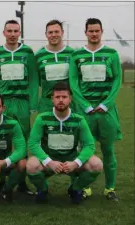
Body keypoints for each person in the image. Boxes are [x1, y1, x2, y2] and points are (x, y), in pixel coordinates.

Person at [69, 18, 122, 202]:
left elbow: (117, 80)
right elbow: (73, 83)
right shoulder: (76, 56)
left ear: (101, 31)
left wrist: (106, 103)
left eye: (96, 31)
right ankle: (85, 188)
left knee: (108, 150)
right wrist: (85, 105)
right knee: (83, 150)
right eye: (90, 31)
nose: (93, 34)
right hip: (86, 111)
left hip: (105, 111)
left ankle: (110, 189)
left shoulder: (112, 54)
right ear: (85, 32)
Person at [26, 82, 103, 204]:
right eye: (57, 97)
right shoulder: (42, 118)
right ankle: (43, 189)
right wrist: (49, 162)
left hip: (71, 160)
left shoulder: (79, 119)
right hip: (50, 160)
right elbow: (33, 143)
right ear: (52, 99)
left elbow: (89, 145)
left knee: (96, 164)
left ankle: (75, 189)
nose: (61, 100)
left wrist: (76, 163)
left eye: (64, 97)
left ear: (70, 99)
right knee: (31, 165)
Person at [0, 19, 37, 195]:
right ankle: (2, 182)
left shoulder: (28, 52)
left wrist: (33, 104)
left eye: (16, 31)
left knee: (22, 141)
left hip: (22, 102)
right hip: (5, 103)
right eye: (10, 31)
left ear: (20, 33)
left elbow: (32, 79)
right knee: (3, 142)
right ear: (4, 33)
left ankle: (21, 182)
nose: (13, 34)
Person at [35, 19, 76, 113]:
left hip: (69, 104)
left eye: (56, 31)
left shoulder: (72, 54)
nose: (53, 35)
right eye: (50, 32)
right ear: (46, 34)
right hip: (46, 104)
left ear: (62, 32)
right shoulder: (39, 56)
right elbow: (37, 80)